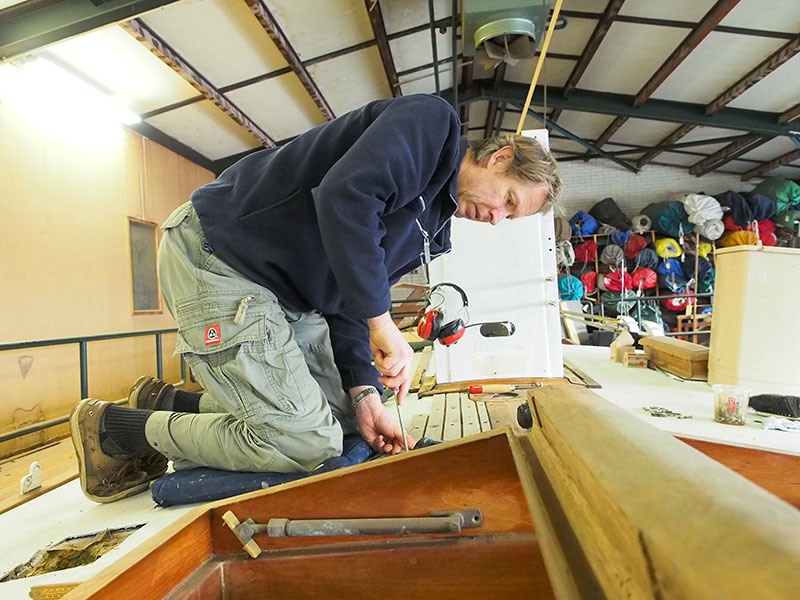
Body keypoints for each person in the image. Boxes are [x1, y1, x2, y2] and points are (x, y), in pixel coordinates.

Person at [69, 93, 562, 503]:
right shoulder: (431, 125)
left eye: (510, 219)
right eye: (509, 201)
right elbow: (344, 197)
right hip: (221, 258)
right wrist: (383, 324)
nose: (497, 219)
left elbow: (347, 298)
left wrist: (365, 392)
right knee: (305, 444)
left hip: (287, 294)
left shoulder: (430, 225)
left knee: (350, 424)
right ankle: (116, 429)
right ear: (498, 158)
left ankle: (170, 401)